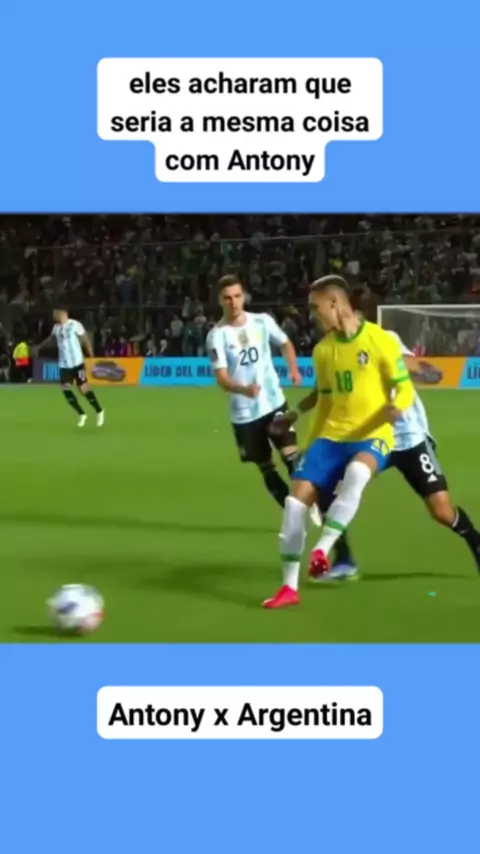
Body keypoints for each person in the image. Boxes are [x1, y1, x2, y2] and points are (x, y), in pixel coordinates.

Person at [263, 274, 416, 609]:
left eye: (315, 307)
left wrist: (397, 406)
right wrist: (309, 444)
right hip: (332, 436)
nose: (312, 315)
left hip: (372, 434)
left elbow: (403, 386)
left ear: (334, 303)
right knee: (294, 504)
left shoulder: (380, 340)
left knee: (357, 474)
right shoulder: (323, 351)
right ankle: (288, 588)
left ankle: (323, 548)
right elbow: (325, 401)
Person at [318, 326, 480, 578]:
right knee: (327, 489)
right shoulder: (332, 351)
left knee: (441, 511)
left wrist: (412, 369)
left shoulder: (384, 338)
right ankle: (344, 559)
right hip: (373, 439)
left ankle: (476, 542)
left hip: (410, 437)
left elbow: (413, 365)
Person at [207, 275, 321, 524]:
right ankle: (293, 516)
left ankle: (310, 502)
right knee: (266, 467)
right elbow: (222, 379)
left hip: (273, 403)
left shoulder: (262, 321)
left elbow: (285, 343)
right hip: (244, 414)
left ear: (244, 297)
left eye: (237, 296)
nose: (233, 302)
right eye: (227, 298)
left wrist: (294, 370)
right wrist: (243, 389)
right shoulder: (217, 336)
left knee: (292, 457)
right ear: (220, 301)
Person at [37, 304, 105, 427]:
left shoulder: (75, 325)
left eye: (56, 313)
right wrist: (40, 346)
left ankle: (99, 410)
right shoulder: (56, 328)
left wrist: (91, 355)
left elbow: (85, 340)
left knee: (83, 388)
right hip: (64, 364)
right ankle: (81, 414)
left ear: (63, 313)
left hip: (77, 363)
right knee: (65, 388)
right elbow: (50, 339)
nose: (54, 315)